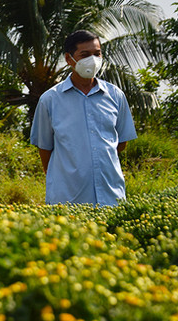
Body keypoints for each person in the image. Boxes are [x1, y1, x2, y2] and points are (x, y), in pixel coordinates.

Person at [30, 29, 137, 206]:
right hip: (67, 198)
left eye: (97, 54)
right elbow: (45, 149)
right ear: (68, 59)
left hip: (110, 196)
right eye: (85, 54)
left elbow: (121, 142)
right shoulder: (50, 100)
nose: (93, 60)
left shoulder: (115, 95)